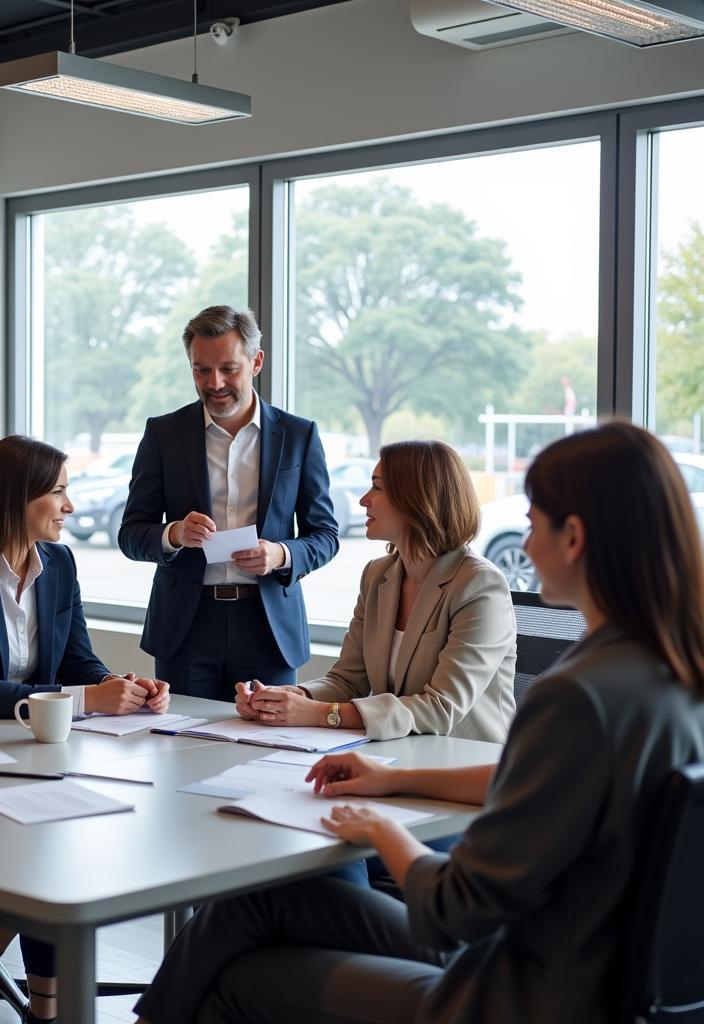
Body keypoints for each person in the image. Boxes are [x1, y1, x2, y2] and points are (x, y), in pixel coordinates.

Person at [133, 421, 704, 1024]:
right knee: (257, 906)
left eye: (534, 524)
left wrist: (380, 828)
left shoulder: (578, 696)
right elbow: (525, 780)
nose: (526, 546)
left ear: (575, 538)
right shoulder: (665, 674)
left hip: (511, 991)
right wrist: (389, 780)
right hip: (593, 977)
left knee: (239, 974)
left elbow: (456, 906)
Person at [0, 433, 169, 1022]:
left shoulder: (60, 563)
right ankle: (40, 1000)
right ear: (19, 497)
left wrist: (123, 687)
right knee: (45, 846)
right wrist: (88, 699)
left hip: (28, 750)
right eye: (60, 492)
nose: (70, 506)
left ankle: (30, 992)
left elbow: (77, 662)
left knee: (56, 835)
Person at [119, 305, 340, 701]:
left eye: (228, 368)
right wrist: (173, 534)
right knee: (180, 750)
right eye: (200, 369)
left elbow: (325, 535)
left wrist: (281, 554)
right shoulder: (163, 434)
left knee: (269, 750)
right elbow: (131, 534)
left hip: (268, 626)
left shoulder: (299, 435)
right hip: (186, 627)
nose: (214, 382)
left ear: (256, 362)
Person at [237, 440, 516, 743]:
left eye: (377, 488)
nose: (363, 501)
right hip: (398, 753)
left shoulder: (480, 587)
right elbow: (347, 679)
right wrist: (287, 699)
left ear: (416, 498)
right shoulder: (378, 575)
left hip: (467, 762)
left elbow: (440, 708)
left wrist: (317, 713)